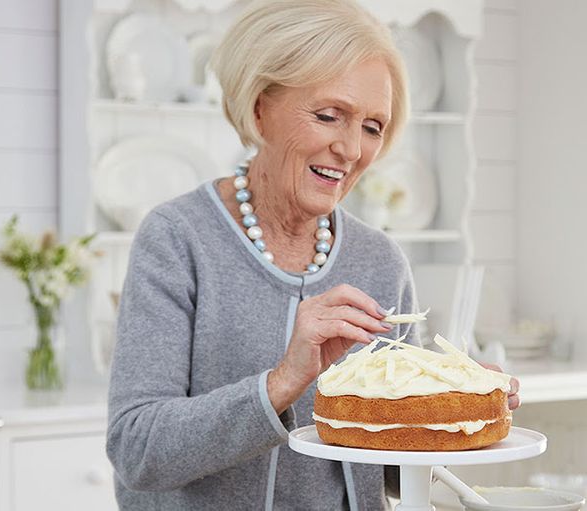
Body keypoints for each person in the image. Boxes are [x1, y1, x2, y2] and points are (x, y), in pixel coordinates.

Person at [106, 0, 520, 509]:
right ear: (260, 108)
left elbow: (390, 466)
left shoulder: (381, 261)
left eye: (372, 127)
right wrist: (280, 384)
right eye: (329, 116)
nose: (350, 149)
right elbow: (136, 447)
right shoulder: (178, 239)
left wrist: (455, 414)